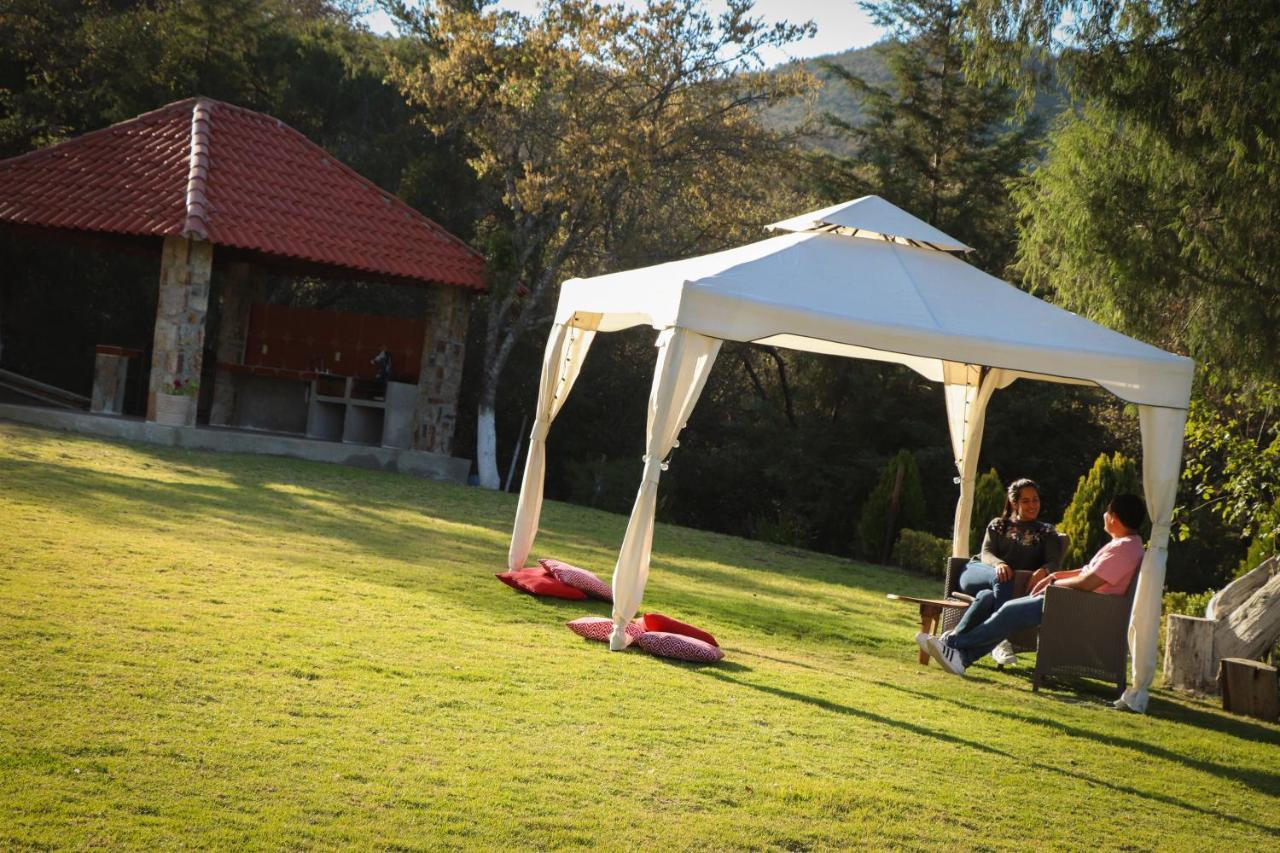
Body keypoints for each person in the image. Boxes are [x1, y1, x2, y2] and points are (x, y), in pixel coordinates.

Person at [919, 493, 1146, 676]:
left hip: (1078, 605)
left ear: (1114, 517)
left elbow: (1088, 582)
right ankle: (961, 658)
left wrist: (1055, 586)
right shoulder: (1123, 544)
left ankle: (953, 642)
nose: (1104, 515)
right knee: (1006, 609)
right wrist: (1054, 577)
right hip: (1070, 600)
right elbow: (1087, 570)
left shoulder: (1124, 549)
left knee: (1008, 611)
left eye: (1107, 511)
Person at [957, 478, 1062, 664]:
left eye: (1035, 500)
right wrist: (998, 564)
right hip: (977, 571)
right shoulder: (999, 524)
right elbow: (986, 553)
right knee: (1003, 577)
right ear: (1014, 503)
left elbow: (1054, 561)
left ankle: (952, 643)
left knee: (987, 596)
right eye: (1026, 501)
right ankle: (999, 640)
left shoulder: (1047, 532)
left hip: (1001, 587)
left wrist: (1044, 571)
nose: (1032, 505)